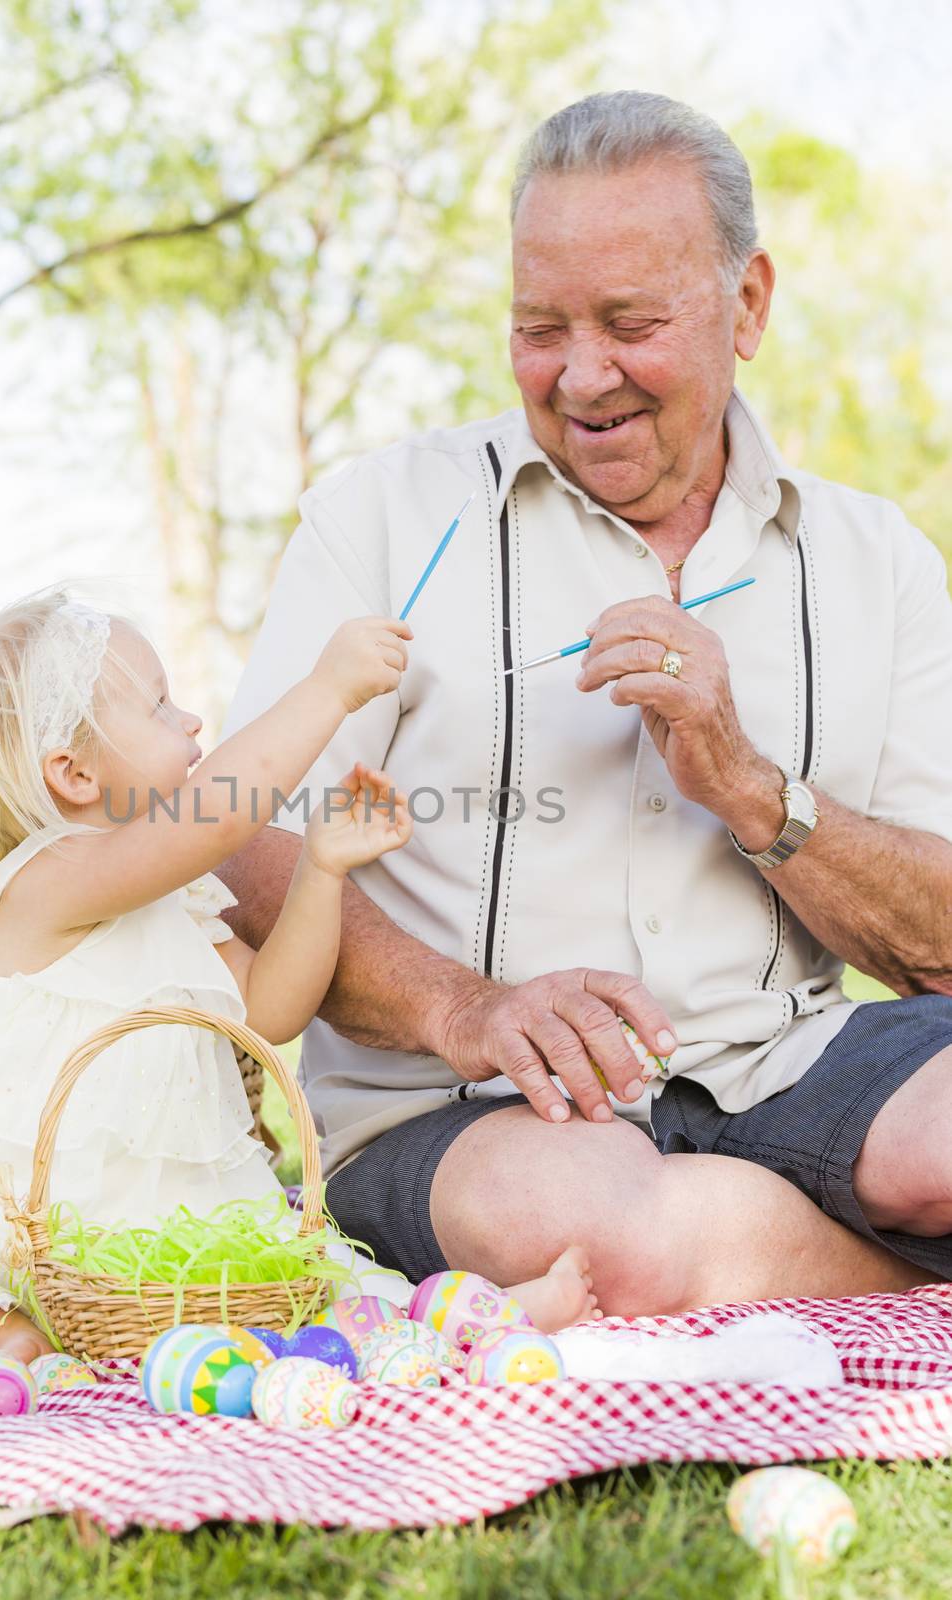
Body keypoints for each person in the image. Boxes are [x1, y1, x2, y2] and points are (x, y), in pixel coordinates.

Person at [216, 91, 952, 1314]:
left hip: (793, 1064)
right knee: (612, 1243)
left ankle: (756, 1259)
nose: (581, 373)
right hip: (460, 1111)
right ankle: (882, 1282)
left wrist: (751, 792)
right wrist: (468, 1007)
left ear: (748, 304)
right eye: (539, 326)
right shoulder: (384, 516)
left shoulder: (878, 558)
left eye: (631, 322)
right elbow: (238, 837)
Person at [0, 588, 598, 1372]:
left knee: (332, 1290)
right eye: (159, 706)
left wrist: (323, 873)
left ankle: (453, 1325)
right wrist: (326, 692)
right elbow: (215, 816)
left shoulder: (181, 905)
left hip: (155, 1251)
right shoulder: (44, 880)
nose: (190, 720)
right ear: (73, 774)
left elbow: (272, 1009)